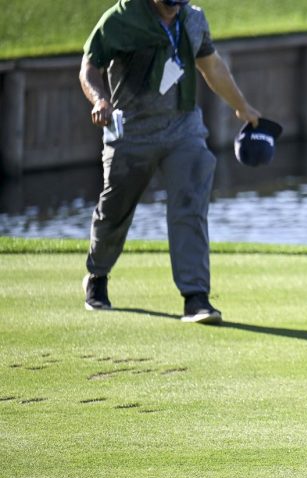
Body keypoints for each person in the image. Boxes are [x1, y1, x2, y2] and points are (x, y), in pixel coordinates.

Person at [79, 0, 262, 324]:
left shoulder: (193, 19)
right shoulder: (121, 18)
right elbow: (89, 68)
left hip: (183, 128)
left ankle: (196, 298)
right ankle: (97, 275)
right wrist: (100, 99)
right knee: (114, 211)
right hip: (132, 131)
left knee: (191, 203)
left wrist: (242, 107)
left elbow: (212, 66)